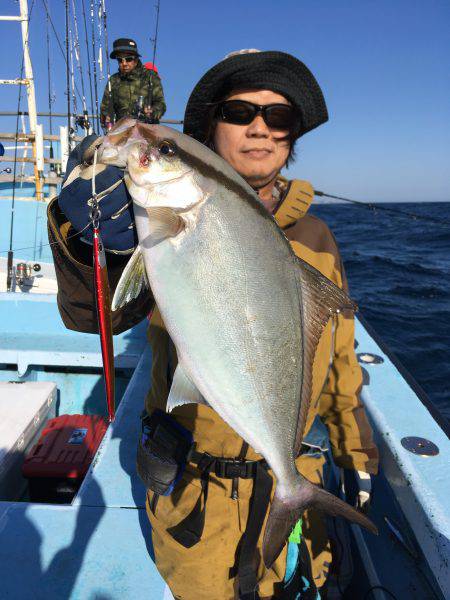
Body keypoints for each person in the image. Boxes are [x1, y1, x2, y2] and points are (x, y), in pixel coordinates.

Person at [48, 50, 378, 599]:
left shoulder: (317, 237)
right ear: (208, 129)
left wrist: (358, 456)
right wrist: (89, 245)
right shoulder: (150, 222)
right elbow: (97, 317)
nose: (260, 128)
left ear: (292, 138)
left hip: (287, 484)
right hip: (194, 498)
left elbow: (340, 360)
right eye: (240, 110)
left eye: (280, 118)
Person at [100, 38, 166, 129]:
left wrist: (152, 112)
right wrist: (106, 117)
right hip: (121, 133)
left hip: (147, 131)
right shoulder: (113, 80)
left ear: (136, 59)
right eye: (120, 60)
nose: (124, 63)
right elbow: (105, 108)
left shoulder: (151, 76)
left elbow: (161, 104)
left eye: (128, 59)